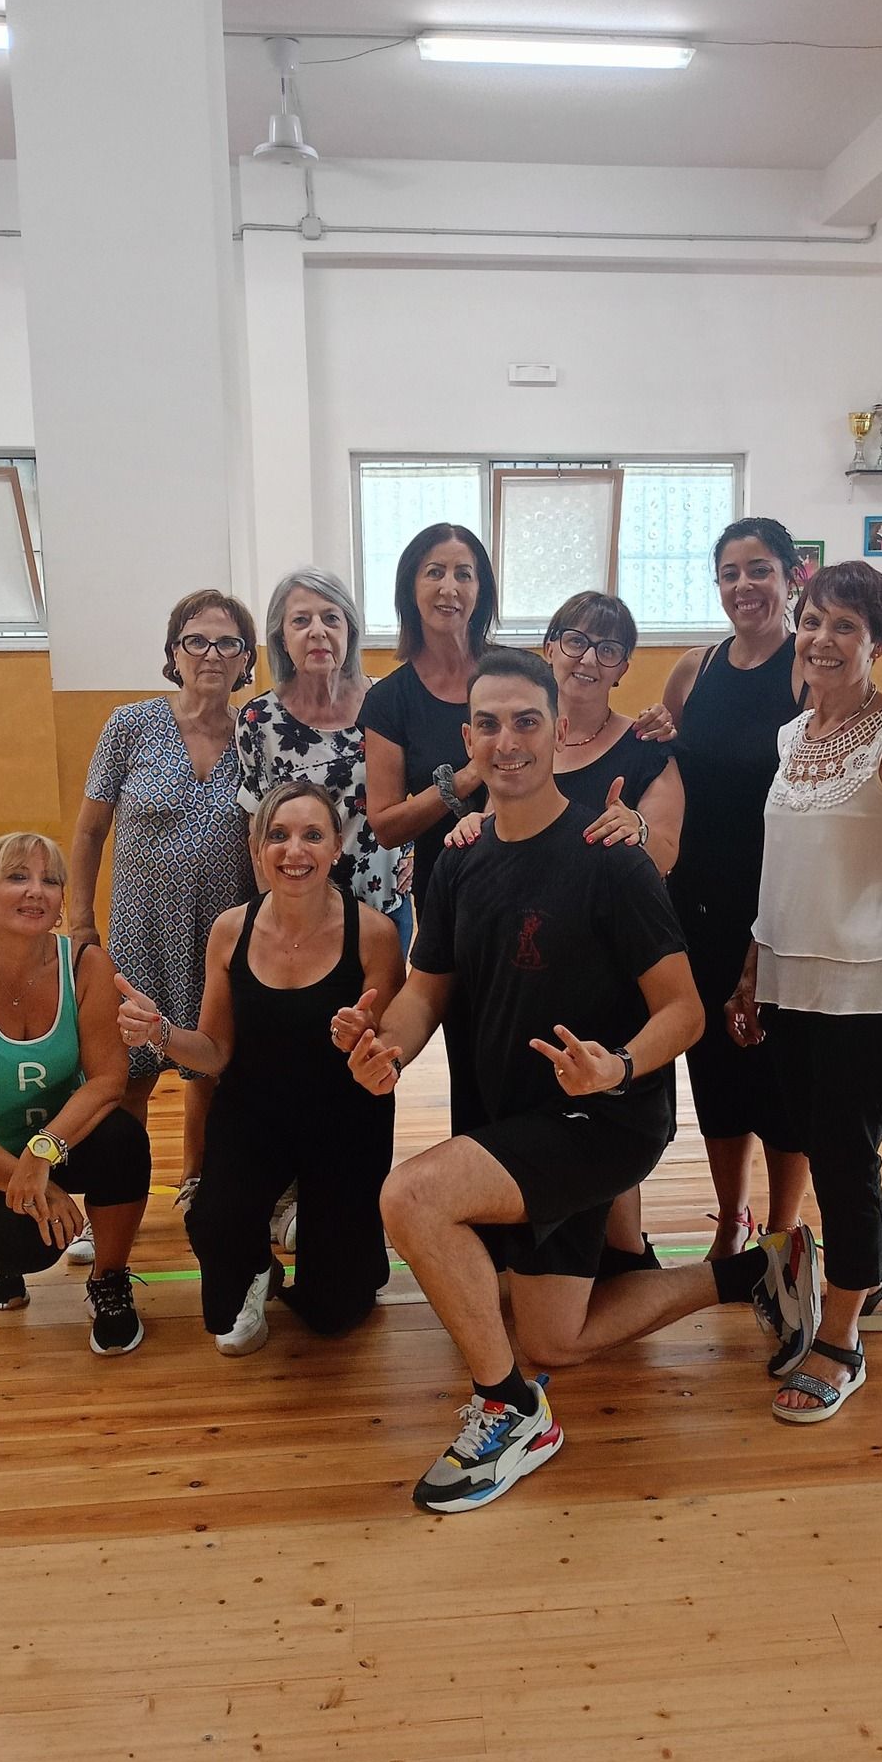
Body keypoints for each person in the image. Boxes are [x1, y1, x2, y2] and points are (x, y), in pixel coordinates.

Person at [332, 648, 823, 1515]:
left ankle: (510, 1413)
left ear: (560, 729)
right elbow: (427, 989)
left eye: (527, 721)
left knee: (410, 1197)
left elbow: (684, 1012)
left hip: (604, 1119)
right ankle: (756, 1274)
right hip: (511, 1118)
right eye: (488, 723)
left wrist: (621, 1064)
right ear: (466, 739)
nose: (507, 740)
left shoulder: (611, 859)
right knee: (555, 1335)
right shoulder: (461, 860)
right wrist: (389, 1048)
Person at [728, 560, 882, 1424]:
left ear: (880, 644)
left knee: (843, 1157)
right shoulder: (793, 738)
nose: (822, 640)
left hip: (872, 986)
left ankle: (843, 1338)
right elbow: (781, 870)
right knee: (821, 1139)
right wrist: (753, 967)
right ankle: (878, 1284)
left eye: (845, 628)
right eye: (814, 621)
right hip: (790, 978)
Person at [114, 781, 404, 1356]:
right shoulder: (230, 929)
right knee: (215, 1222)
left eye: (312, 835)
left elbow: (391, 1047)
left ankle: (337, 1256)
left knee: (335, 1313)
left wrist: (362, 1040)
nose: (294, 851)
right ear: (257, 848)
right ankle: (257, 1272)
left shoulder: (374, 932)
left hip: (346, 1120)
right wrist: (162, 1034)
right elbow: (216, 1052)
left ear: (336, 848)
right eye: (279, 835)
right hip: (254, 1115)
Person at [444, 590, 684, 1272]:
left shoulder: (646, 749)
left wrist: (635, 829)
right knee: (508, 1104)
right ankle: (532, 1253)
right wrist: (473, 822)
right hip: (513, 959)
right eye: (574, 641)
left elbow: (662, 845)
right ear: (550, 648)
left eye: (606, 649)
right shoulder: (510, 738)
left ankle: (623, 1255)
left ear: (623, 667)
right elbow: (501, 815)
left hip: (604, 962)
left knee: (600, 1118)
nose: (587, 658)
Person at [0, 831, 150, 1354]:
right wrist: (24, 1178)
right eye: (17, 877)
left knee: (125, 1139)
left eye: (50, 880)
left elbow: (110, 1080)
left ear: (63, 900)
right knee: (28, 1249)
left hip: (57, 1143)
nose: (35, 891)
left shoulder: (87, 967)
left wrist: (44, 1152)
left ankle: (109, 1280)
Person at [644, 519, 812, 1257]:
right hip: (698, 901)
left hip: (782, 902)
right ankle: (732, 1219)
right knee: (713, 1063)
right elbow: (666, 763)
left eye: (759, 570)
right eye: (730, 573)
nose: (744, 586)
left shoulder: (811, 668)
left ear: (792, 577)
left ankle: (782, 1231)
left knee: (780, 1073)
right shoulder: (696, 668)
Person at [67, 589, 256, 1243]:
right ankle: (113, 1200)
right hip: (138, 929)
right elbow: (89, 832)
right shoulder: (130, 725)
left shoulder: (255, 738)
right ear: (173, 653)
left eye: (227, 642)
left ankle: (195, 1183)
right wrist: (80, 924)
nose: (211, 653)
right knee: (127, 1076)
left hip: (220, 935)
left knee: (206, 1068)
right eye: (195, 640)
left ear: (245, 660)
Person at [361, 521, 497, 1133]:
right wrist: (462, 782)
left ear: (482, 589)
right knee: (472, 1063)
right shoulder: (389, 699)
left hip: (534, 887)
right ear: (410, 589)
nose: (450, 587)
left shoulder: (511, 671)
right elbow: (387, 825)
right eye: (434, 572)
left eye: (464, 573)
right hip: (451, 902)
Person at [235, 567, 412, 951]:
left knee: (380, 1013)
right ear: (281, 637)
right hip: (300, 914)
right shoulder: (258, 720)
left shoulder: (390, 702)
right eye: (301, 620)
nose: (317, 631)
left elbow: (425, 786)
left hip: (382, 905)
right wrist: (273, 911)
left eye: (331, 618)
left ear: (349, 629)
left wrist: (421, 850)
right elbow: (259, 828)